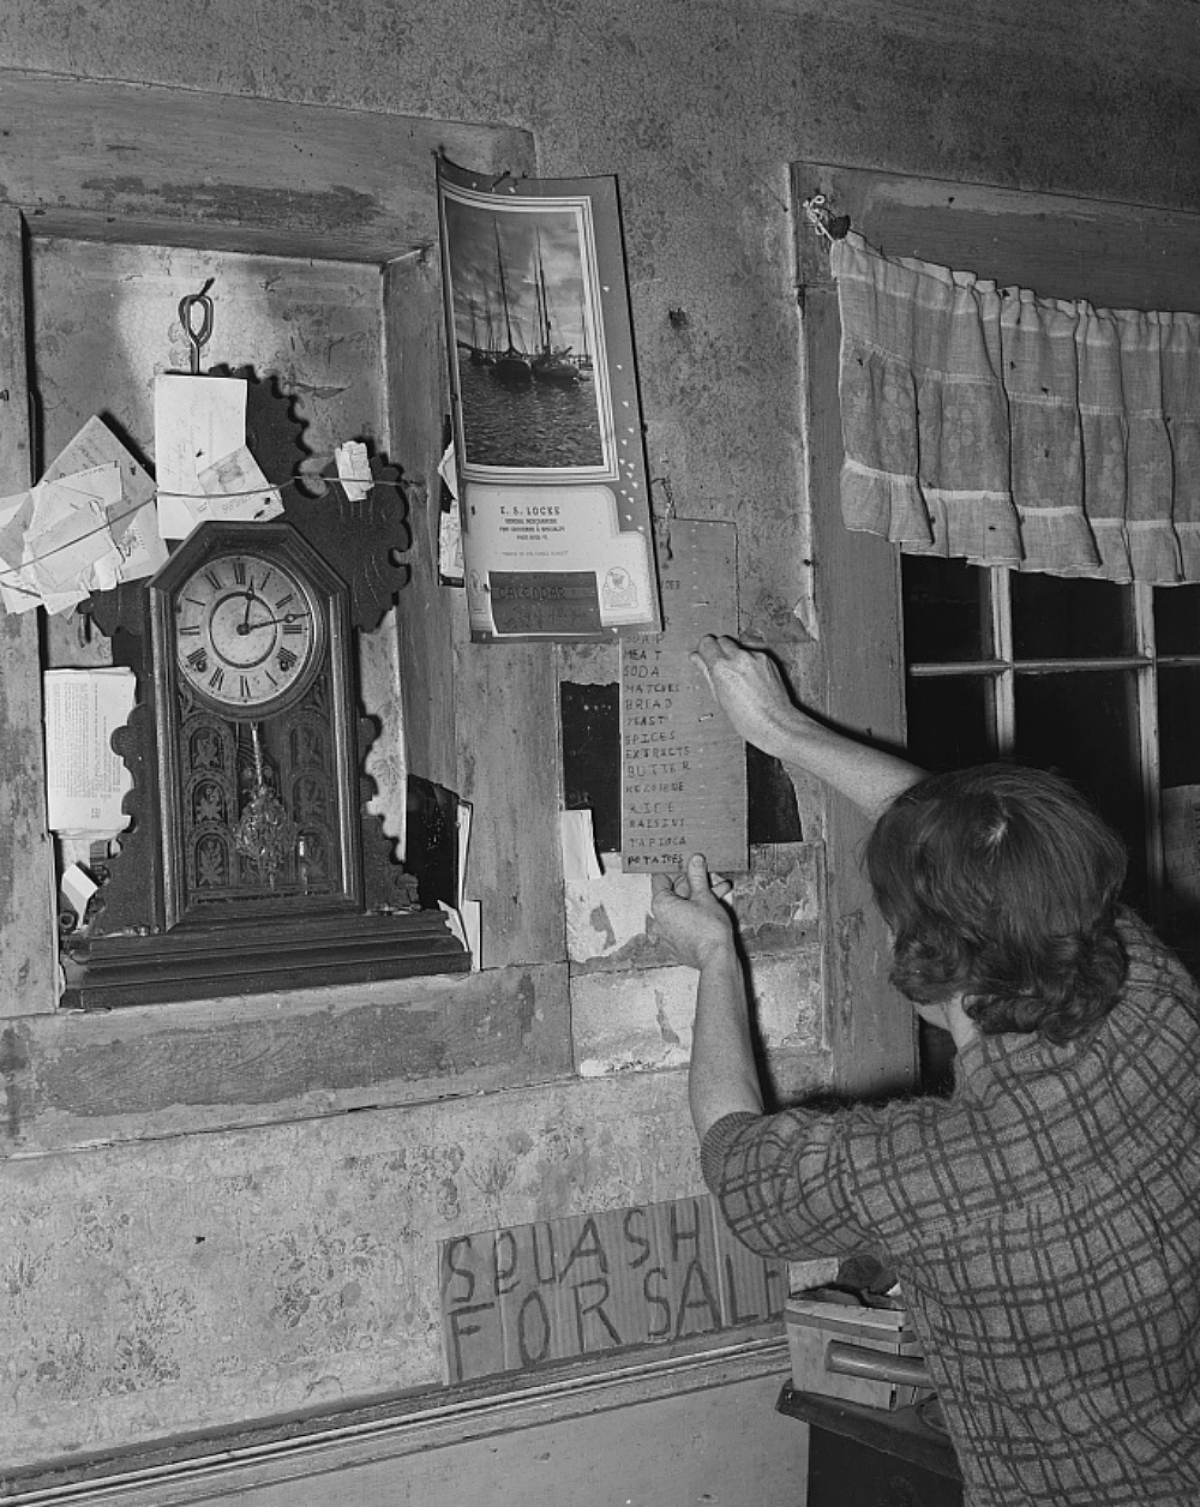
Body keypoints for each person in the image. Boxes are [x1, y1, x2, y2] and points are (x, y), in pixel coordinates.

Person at [650, 633, 1200, 1507]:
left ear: (929, 963)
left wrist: (716, 959)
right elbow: (981, 854)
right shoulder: (1154, 998)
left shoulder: (948, 1168)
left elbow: (736, 1159)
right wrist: (785, 730)